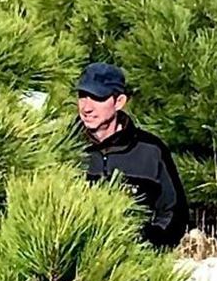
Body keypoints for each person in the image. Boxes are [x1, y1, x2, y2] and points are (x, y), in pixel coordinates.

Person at [75, 62, 188, 248]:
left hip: (134, 265)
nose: (86, 107)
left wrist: (148, 246)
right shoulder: (63, 148)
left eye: (97, 97)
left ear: (119, 102)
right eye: (82, 96)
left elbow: (174, 212)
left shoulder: (150, 150)